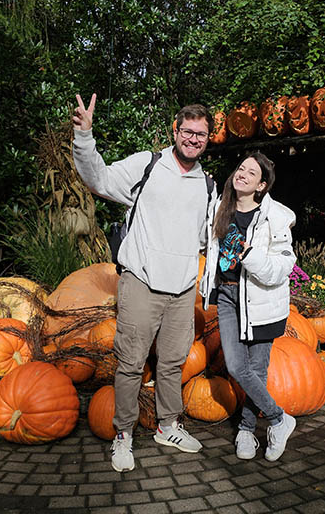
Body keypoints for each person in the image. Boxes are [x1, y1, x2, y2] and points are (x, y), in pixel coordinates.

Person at [71, 93, 217, 472]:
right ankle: (123, 435)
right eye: (188, 132)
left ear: (209, 139)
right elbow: (98, 178)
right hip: (141, 283)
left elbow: (209, 237)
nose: (193, 139)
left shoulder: (208, 186)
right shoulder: (147, 166)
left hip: (183, 289)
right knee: (132, 363)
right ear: (175, 131)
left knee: (171, 363)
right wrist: (85, 137)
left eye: (201, 134)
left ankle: (168, 426)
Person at [199, 151, 297, 462]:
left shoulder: (276, 217)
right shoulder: (218, 209)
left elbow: (282, 269)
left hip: (261, 300)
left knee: (256, 370)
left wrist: (249, 254)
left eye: (250, 173)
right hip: (228, 296)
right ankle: (280, 419)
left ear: (261, 186)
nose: (241, 174)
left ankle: (246, 429)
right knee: (237, 367)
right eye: (240, 168)